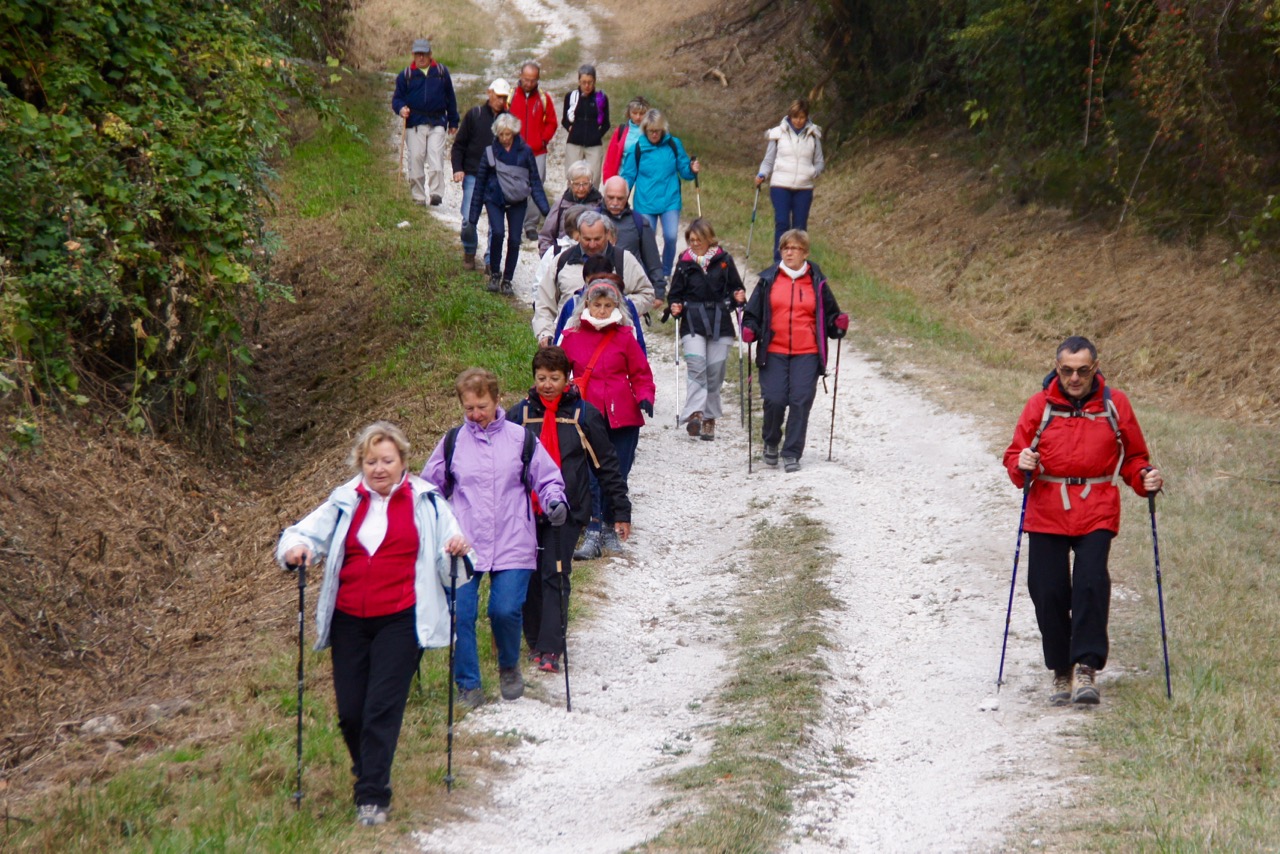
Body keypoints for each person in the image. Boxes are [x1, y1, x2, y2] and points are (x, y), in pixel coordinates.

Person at [276, 422, 471, 827]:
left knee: (381, 706)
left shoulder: (427, 502)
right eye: (371, 461)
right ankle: (368, 773)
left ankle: (372, 795)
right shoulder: (346, 500)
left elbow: (455, 561)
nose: (379, 469)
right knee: (350, 712)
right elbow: (302, 534)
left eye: (387, 460)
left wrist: (454, 550)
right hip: (349, 618)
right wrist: (296, 549)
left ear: (403, 462)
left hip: (402, 619)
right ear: (360, 463)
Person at [1002, 336, 1164, 706]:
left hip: (1096, 507)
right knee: (1047, 589)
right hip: (1047, 507)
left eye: (1082, 371)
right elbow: (1015, 455)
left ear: (1095, 368)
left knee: (1091, 583)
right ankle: (1061, 669)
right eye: (1067, 370)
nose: (1075, 378)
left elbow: (1135, 457)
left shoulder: (1114, 404)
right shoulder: (1039, 406)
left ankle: (1087, 666)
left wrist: (1145, 478)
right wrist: (1022, 464)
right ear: (1057, 369)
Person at [422, 369, 568, 708]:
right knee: (462, 614)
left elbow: (546, 479)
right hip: (463, 543)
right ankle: (468, 685)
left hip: (513, 538)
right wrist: (429, 519)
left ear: (497, 399)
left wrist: (555, 502)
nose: (476, 414)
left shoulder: (521, 438)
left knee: (504, 610)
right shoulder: (453, 441)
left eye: (482, 406)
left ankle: (508, 666)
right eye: (469, 408)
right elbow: (430, 488)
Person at [509, 346, 631, 671]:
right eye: (541, 378)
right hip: (525, 511)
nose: (547, 384)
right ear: (533, 378)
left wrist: (620, 511)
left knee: (555, 571)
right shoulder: (518, 416)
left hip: (569, 509)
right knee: (530, 574)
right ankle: (534, 640)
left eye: (555, 378)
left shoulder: (582, 415)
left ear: (567, 379)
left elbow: (606, 465)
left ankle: (551, 648)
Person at [559, 275, 655, 559]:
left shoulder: (625, 336)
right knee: (589, 474)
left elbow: (640, 373)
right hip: (587, 416)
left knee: (618, 472)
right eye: (597, 304)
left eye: (607, 305)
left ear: (617, 307)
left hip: (623, 416)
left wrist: (645, 396)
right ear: (587, 303)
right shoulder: (571, 337)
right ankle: (593, 528)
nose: (601, 310)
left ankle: (613, 526)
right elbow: (561, 375)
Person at [741, 229, 848, 472]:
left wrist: (838, 324)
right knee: (775, 399)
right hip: (774, 350)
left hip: (807, 351)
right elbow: (752, 314)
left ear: (805, 253)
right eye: (785, 248)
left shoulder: (817, 282)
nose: (789, 252)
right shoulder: (768, 280)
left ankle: (791, 453)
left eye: (795, 248)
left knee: (800, 400)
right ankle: (770, 441)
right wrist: (750, 329)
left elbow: (830, 317)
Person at [667, 218, 746, 441]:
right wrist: (675, 305)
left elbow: (736, 287)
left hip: (720, 321)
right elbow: (675, 293)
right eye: (691, 240)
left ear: (709, 239)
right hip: (693, 321)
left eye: (698, 240)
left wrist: (738, 296)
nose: (694, 244)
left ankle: (710, 418)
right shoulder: (684, 263)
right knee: (697, 365)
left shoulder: (724, 260)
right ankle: (696, 414)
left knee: (715, 371)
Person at [533, 211, 655, 346]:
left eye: (597, 239)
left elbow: (647, 294)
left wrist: (619, 305)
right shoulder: (562, 261)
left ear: (608, 234)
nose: (592, 245)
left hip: (613, 342)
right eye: (587, 239)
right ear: (578, 235)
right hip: (570, 341)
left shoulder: (624, 260)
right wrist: (545, 333)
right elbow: (544, 303)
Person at [467, 113, 550, 295]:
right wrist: (473, 216)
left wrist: (547, 211)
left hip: (517, 201)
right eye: (502, 134)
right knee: (497, 233)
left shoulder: (526, 151)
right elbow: (480, 183)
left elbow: (535, 182)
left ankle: (508, 280)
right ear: (497, 134)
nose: (505, 138)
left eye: (508, 134)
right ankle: (495, 274)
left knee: (514, 239)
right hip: (494, 198)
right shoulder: (490, 152)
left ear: (514, 133)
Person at [620, 108, 700, 279]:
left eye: (657, 131)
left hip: (670, 199)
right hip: (645, 202)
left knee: (671, 237)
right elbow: (629, 175)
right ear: (645, 130)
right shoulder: (638, 148)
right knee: (647, 240)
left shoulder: (673, 144)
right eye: (650, 131)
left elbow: (684, 170)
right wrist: (621, 195)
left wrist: (692, 170)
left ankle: (665, 272)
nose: (654, 134)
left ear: (663, 129)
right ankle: (649, 273)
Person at [452, 78, 511, 271]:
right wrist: (458, 168)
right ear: (489, 93)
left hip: (499, 179)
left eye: (504, 97)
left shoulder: (510, 121)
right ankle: (469, 251)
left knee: (496, 225)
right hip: (474, 175)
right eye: (498, 96)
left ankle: (490, 262)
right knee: (469, 218)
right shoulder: (474, 115)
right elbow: (459, 144)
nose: (500, 101)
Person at [755, 98, 825, 262]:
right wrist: (762, 174)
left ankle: (798, 263)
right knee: (782, 223)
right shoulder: (778, 133)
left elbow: (820, 162)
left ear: (807, 117)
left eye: (802, 117)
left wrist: (812, 172)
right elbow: (769, 160)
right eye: (795, 117)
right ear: (790, 116)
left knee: (800, 228)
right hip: (780, 185)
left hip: (804, 187)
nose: (798, 121)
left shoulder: (813, 135)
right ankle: (779, 262)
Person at [391, 39, 459, 207]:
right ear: (413, 55)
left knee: (436, 158)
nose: (421, 58)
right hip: (415, 122)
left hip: (437, 121)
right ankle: (418, 196)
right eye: (417, 54)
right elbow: (397, 99)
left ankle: (436, 193)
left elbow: (450, 98)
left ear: (430, 54)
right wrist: (401, 109)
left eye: (424, 54)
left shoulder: (441, 72)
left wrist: (453, 120)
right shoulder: (406, 75)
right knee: (416, 158)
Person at [599, 175, 667, 302]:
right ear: (604, 195)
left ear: (627, 197)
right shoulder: (593, 219)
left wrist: (659, 292)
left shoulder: (639, 222)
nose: (615, 203)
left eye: (620, 198)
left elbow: (652, 260)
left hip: (630, 292)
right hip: (597, 288)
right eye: (610, 197)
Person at [510, 60, 558, 242]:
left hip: (538, 151)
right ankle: (515, 223)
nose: (529, 83)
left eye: (533, 80)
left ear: (538, 79)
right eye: (526, 79)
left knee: (536, 186)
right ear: (520, 76)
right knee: (515, 186)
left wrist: (543, 140)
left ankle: (531, 225)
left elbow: (552, 122)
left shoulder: (544, 98)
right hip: (514, 150)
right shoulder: (511, 96)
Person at [538, 160, 602, 256]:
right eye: (576, 184)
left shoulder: (599, 205)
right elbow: (546, 236)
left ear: (591, 183)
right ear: (569, 183)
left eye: (585, 184)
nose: (581, 188)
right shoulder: (561, 205)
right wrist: (549, 258)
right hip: (563, 256)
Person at [562, 64, 610, 187]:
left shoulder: (601, 98)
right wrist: (570, 129)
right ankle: (571, 204)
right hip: (574, 142)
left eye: (590, 82)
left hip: (594, 145)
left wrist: (596, 135)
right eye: (584, 82)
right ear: (579, 81)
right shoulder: (571, 97)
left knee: (593, 179)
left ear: (594, 81)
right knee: (572, 177)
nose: (587, 86)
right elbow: (564, 120)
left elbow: (606, 123)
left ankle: (593, 204)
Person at [602, 96, 649, 182]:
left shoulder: (652, 132)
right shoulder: (621, 130)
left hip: (644, 181)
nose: (638, 117)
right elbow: (610, 158)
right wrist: (608, 181)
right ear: (629, 113)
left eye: (642, 114)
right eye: (635, 113)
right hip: (622, 178)